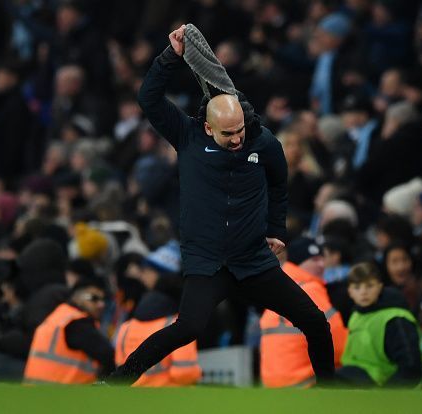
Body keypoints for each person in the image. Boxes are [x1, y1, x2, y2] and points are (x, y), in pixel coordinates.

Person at [108, 25, 334, 385]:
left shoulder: (264, 143)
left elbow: (279, 185)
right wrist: (171, 57)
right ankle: (116, 382)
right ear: (209, 128)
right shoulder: (186, 135)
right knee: (187, 328)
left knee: (314, 320)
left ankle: (332, 392)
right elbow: (149, 98)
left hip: (254, 260)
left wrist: (276, 229)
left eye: (240, 130)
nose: (237, 139)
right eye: (228, 133)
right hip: (208, 263)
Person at [260, 238, 347, 387]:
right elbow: (340, 346)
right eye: (314, 260)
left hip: (273, 387)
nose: (321, 265)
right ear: (299, 263)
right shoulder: (311, 290)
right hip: (306, 384)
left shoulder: (277, 288)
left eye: (322, 259)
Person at [338, 262, 422, 388]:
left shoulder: (396, 320)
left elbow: (411, 369)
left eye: (369, 286)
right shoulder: (356, 315)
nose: (363, 292)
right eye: (357, 287)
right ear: (349, 291)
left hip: (385, 392)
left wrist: (384, 397)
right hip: (355, 383)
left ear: (380, 287)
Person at [24, 277, 115, 384]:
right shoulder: (77, 323)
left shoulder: (58, 316)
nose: (101, 304)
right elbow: (108, 354)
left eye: (102, 300)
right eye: (94, 298)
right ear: (77, 298)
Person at [115, 291, 201, 387]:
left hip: (132, 396)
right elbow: (185, 372)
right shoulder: (179, 327)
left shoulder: (125, 327)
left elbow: (119, 365)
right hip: (166, 396)